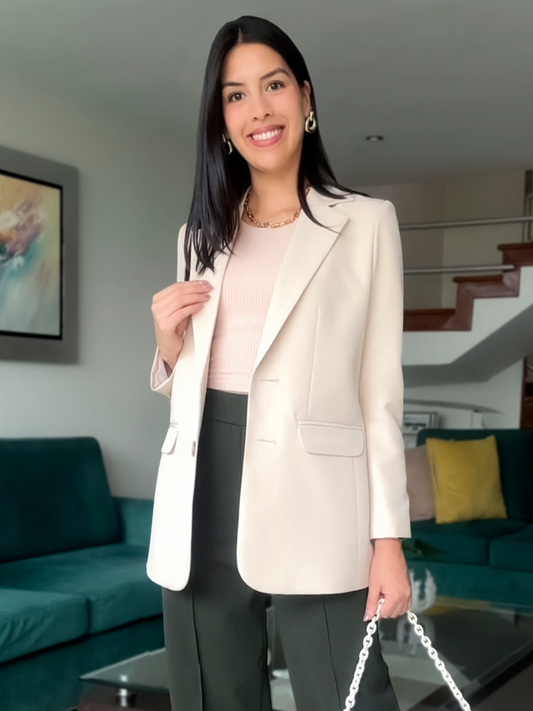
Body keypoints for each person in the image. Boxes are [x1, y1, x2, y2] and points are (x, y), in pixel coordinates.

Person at [149, 15, 411, 711]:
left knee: (346, 693)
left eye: (273, 85)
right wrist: (168, 347)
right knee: (214, 693)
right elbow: (195, 380)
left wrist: (388, 540)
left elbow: (379, 392)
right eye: (235, 95)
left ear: (305, 95)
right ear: (221, 121)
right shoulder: (198, 237)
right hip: (203, 479)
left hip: (319, 490)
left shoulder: (365, 223)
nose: (258, 109)